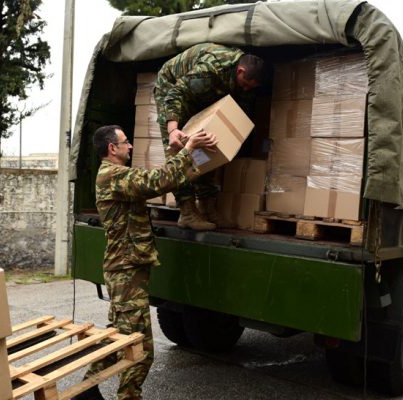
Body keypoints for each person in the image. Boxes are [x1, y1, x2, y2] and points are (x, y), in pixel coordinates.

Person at [74, 125, 217, 400]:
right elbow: (157, 182)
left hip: (127, 269)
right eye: (125, 142)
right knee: (139, 348)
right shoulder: (112, 176)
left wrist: (180, 154)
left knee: (120, 337)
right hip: (125, 271)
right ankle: (123, 395)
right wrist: (188, 150)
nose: (130, 146)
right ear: (112, 148)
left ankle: (85, 390)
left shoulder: (117, 175)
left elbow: (167, 179)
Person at [154, 42, 266, 231]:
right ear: (240, 71)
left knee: (209, 146)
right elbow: (176, 93)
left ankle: (207, 209)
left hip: (200, 94)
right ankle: (187, 212)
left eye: (250, 87)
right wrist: (172, 130)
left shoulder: (240, 78)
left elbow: (240, 107)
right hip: (172, 90)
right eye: (245, 85)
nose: (246, 89)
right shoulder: (212, 68)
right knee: (179, 149)